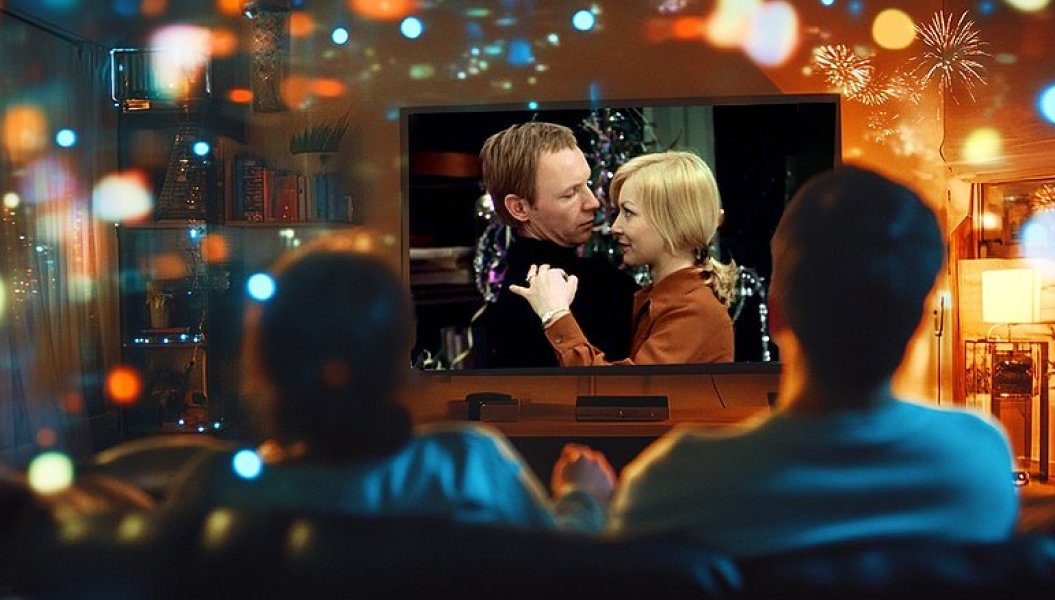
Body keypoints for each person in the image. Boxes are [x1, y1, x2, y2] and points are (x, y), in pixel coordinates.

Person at [605, 166, 1018, 556]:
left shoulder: (674, 480)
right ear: (920, 321)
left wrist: (582, 502)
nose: (615, 226)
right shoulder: (980, 458)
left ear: (776, 312)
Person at [164, 233, 616, 532]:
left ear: (264, 358)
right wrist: (582, 498)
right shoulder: (463, 466)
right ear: (399, 350)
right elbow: (555, 570)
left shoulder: (218, 488)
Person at [512, 151, 736, 366]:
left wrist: (556, 315)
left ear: (673, 222)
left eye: (628, 213)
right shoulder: (661, 299)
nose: (615, 227)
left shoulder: (694, 310)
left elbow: (621, 388)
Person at [474, 122, 639, 368]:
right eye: (569, 194)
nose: (593, 202)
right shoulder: (532, 300)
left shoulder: (600, 279)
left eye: (587, 184)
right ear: (519, 208)